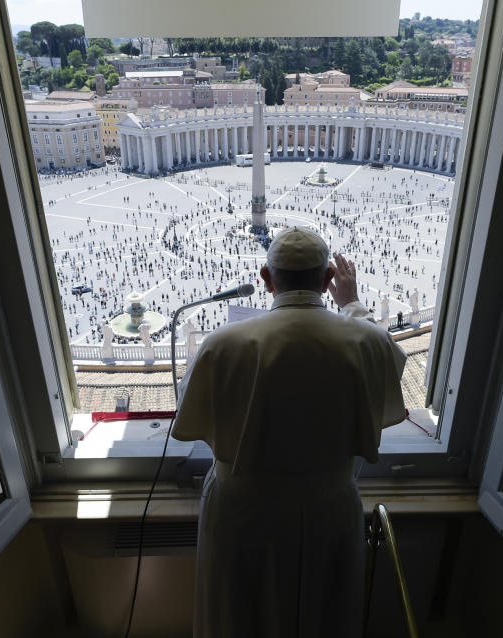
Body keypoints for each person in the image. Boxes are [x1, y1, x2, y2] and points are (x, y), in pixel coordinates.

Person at [173, 227, 408, 638]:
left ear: (266, 278)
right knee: (325, 614)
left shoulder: (220, 345)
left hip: (242, 514)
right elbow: (387, 361)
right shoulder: (366, 341)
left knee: (238, 613)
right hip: (328, 511)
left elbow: (193, 421)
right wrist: (351, 304)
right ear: (327, 279)